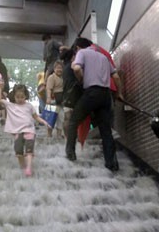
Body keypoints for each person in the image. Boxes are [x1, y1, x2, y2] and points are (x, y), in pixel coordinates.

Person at [65, 37, 123, 171]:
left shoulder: (82, 53)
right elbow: (116, 77)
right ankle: (111, 164)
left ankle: (70, 154)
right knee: (106, 130)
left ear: (78, 47)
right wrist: (119, 93)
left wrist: (81, 80)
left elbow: (77, 68)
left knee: (73, 121)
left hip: (91, 93)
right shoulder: (104, 57)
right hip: (106, 95)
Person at [0, 84, 51, 177]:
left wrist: (44, 122)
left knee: (29, 151)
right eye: (17, 97)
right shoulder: (10, 105)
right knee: (19, 152)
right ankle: (23, 166)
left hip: (29, 130)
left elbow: (36, 117)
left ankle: (28, 168)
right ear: (14, 96)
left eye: (22, 97)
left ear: (26, 96)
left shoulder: (29, 106)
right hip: (18, 132)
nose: (20, 99)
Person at [59, 47, 83, 138]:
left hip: (66, 95)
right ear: (73, 56)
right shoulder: (73, 65)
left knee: (67, 117)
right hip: (75, 94)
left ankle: (67, 138)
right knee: (74, 117)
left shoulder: (65, 67)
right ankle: (75, 137)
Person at [46, 60, 64, 138]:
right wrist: (49, 98)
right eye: (57, 68)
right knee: (51, 119)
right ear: (54, 69)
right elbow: (49, 88)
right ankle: (49, 135)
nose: (59, 70)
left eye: (61, 68)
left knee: (61, 118)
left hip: (61, 101)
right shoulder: (51, 77)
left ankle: (59, 135)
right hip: (53, 100)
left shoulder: (63, 78)